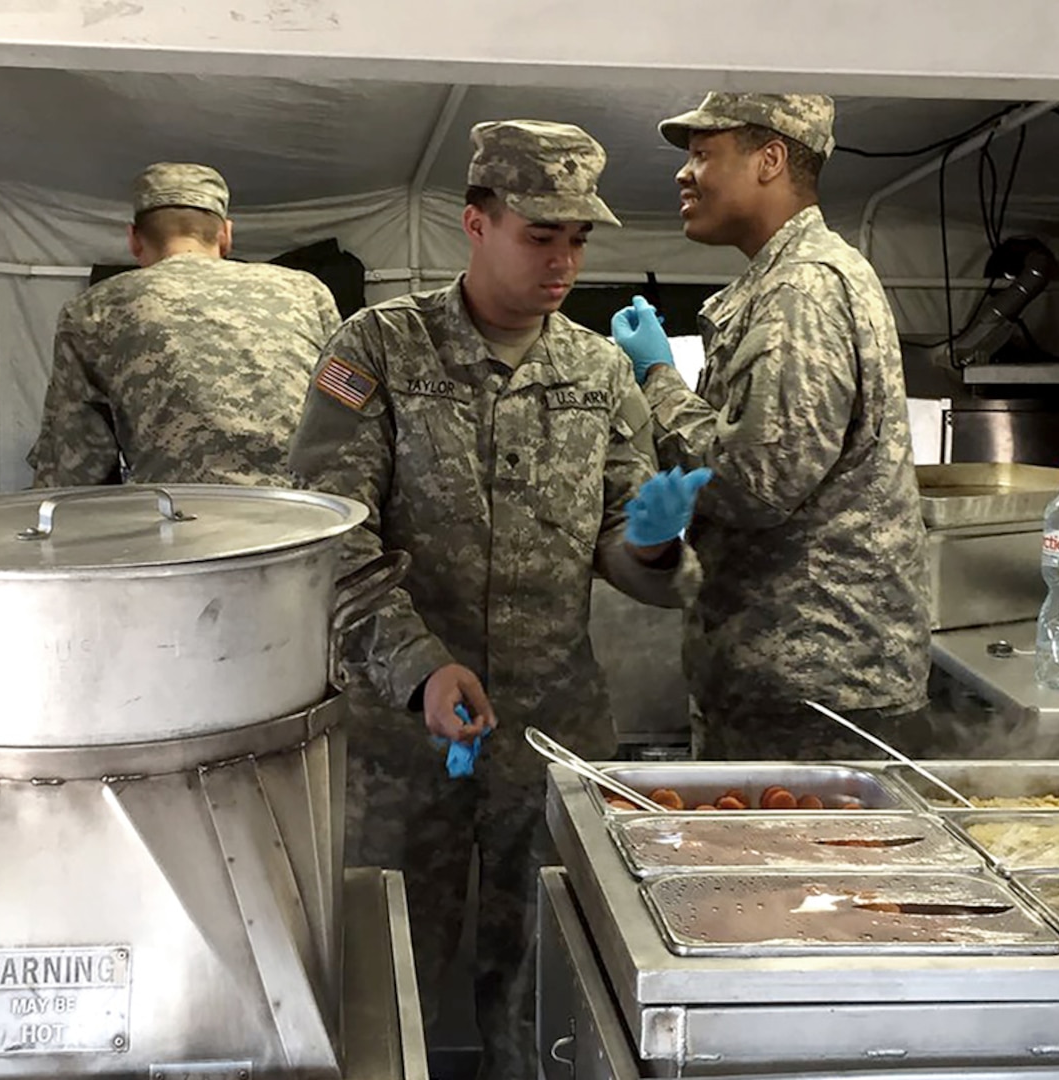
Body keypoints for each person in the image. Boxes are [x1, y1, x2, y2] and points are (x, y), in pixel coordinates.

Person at [289, 119, 709, 1078]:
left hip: (553, 731)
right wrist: (419, 668)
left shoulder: (601, 372)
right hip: (406, 737)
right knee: (384, 975)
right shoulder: (380, 351)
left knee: (552, 975)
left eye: (578, 240)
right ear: (475, 223)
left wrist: (650, 541)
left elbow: (627, 549)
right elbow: (330, 539)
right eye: (538, 235)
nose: (562, 262)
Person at [611, 92, 931, 760]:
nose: (683, 172)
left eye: (704, 153)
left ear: (771, 159)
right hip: (798, 688)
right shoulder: (789, 281)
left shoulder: (803, 289)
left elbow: (754, 485)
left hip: (815, 698)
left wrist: (657, 378)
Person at [28, 162, 342, 488]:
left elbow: (74, 466)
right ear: (225, 235)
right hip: (305, 520)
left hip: (180, 525)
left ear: (134, 239)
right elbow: (348, 422)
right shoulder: (307, 291)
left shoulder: (93, 309)